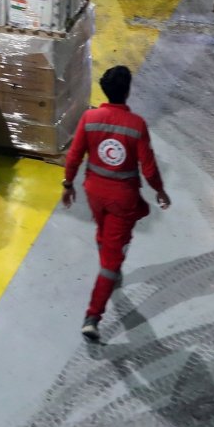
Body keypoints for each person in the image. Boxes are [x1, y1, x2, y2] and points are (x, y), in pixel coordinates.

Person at [61, 65, 170, 342]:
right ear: (128, 91)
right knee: (111, 261)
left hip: (94, 192)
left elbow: (73, 156)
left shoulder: (89, 118)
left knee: (103, 230)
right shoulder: (136, 126)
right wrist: (160, 191)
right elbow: (148, 168)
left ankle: (112, 266)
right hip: (123, 198)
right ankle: (93, 316)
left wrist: (68, 185)